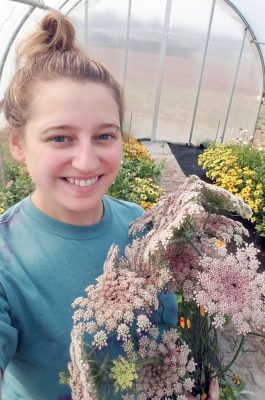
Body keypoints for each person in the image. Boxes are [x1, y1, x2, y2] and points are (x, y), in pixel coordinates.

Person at [0, 10, 219, 400]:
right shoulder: (7, 260)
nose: (86, 161)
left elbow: (167, 330)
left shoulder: (142, 225)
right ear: (18, 143)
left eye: (104, 136)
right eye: (60, 138)